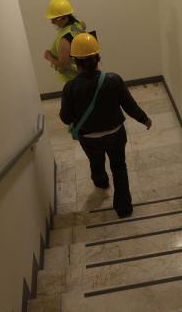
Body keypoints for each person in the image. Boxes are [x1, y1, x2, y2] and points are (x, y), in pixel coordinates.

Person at [59, 33, 152, 218]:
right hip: (116, 134)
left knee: (96, 161)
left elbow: (65, 118)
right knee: (119, 167)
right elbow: (130, 106)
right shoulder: (113, 80)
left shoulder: (70, 87)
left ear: (75, 61)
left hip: (89, 138)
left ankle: (101, 182)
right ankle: (124, 208)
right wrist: (144, 119)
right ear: (98, 58)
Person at [43, 0, 87, 84]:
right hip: (83, 73)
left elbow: (63, 65)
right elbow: (84, 26)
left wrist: (49, 57)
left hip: (73, 80)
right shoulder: (78, 23)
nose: (53, 22)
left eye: (54, 19)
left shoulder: (64, 40)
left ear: (65, 18)